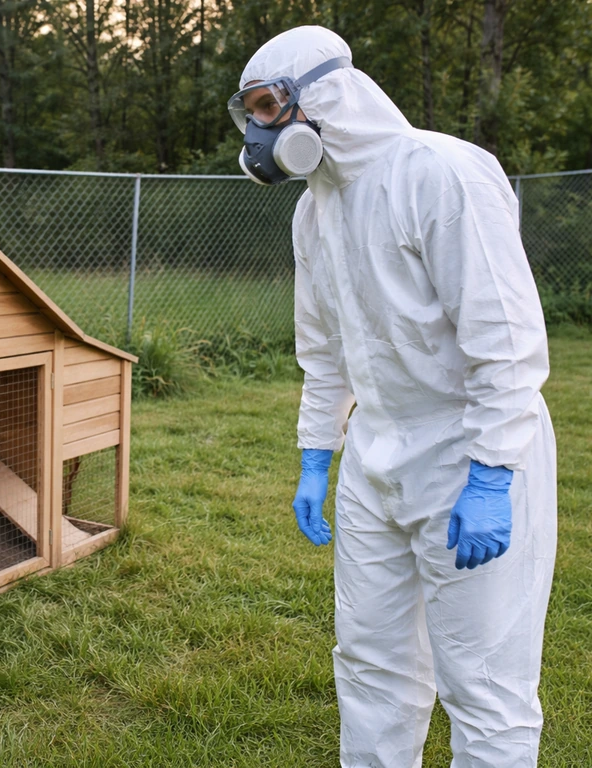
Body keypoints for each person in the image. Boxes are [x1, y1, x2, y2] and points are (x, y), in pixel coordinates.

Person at [228, 25, 557, 768]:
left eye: (269, 107)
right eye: (250, 113)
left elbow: (503, 341)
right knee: (371, 663)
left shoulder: (441, 173)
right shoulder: (313, 210)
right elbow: (325, 354)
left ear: (327, 95)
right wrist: (318, 455)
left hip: (471, 452)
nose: (260, 132)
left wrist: (493, 472)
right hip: (377, 457)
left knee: (484, 681)